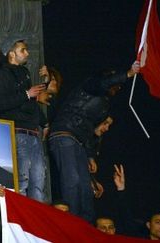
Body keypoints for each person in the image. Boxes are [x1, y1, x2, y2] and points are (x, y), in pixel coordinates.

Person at [48, 62, 140, 222]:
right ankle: (72, 222)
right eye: (115, 84)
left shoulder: (104, 103)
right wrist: (128, 74)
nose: (117, 88)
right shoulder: (91, 86)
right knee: (72, 180)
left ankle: (86, 225)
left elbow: (90, 129)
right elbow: (104, 83)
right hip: (64, 134)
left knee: (86, 186)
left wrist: (90, 157)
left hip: (79, 142)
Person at [0, 36, 49, 202]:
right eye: (23, 49)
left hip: (33, 133)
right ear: (11, 53)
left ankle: (36, 223)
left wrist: (43, 122)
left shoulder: (25, 73)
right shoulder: (1, 74)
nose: (27, 53)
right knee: (21, 181)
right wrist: (26, 94)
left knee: (39, 181)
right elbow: (2, 103)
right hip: (17, 132)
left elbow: (32, 102)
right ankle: (20, 221)